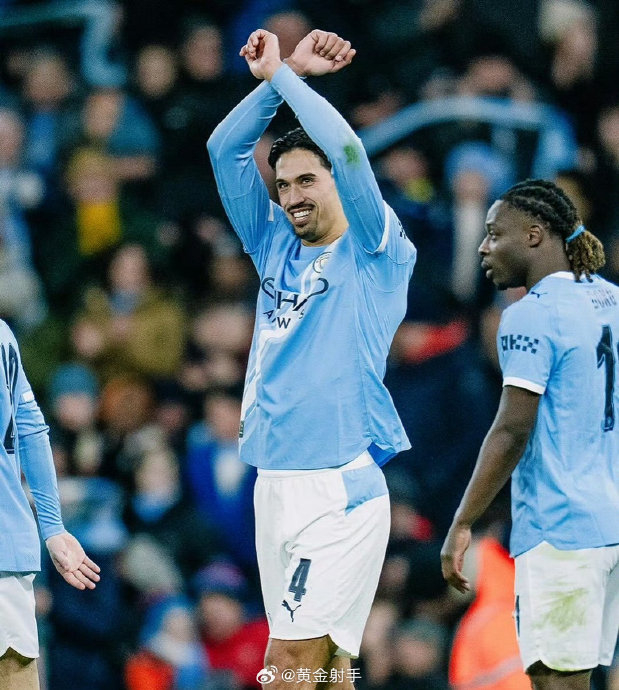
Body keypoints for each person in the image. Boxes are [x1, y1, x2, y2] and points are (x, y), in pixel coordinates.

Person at [207, 28, 416, 689]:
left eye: (307, 180)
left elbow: (348, 149)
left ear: (338, 184)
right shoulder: (270, 241)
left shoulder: (376, 249)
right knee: (328, 671)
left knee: (287, 666)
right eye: (283, 184)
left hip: (336, 489)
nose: (292, 195)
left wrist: (286, 81)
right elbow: (222, 149)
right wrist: (282, 77)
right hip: (273, 482)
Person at [441, 179, 619, 690]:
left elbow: (512, 429)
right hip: (609, 522)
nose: (483, 247)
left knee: (557, 682)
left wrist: (462, 521)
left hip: (562, 529)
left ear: (535, 235)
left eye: (495, 234)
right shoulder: (611, 300)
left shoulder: (528, 315)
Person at [0, 318, 100, 689]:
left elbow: (30, 427)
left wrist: (53, 525)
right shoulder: (3, 334)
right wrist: (52, 525)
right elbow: (31, 427)